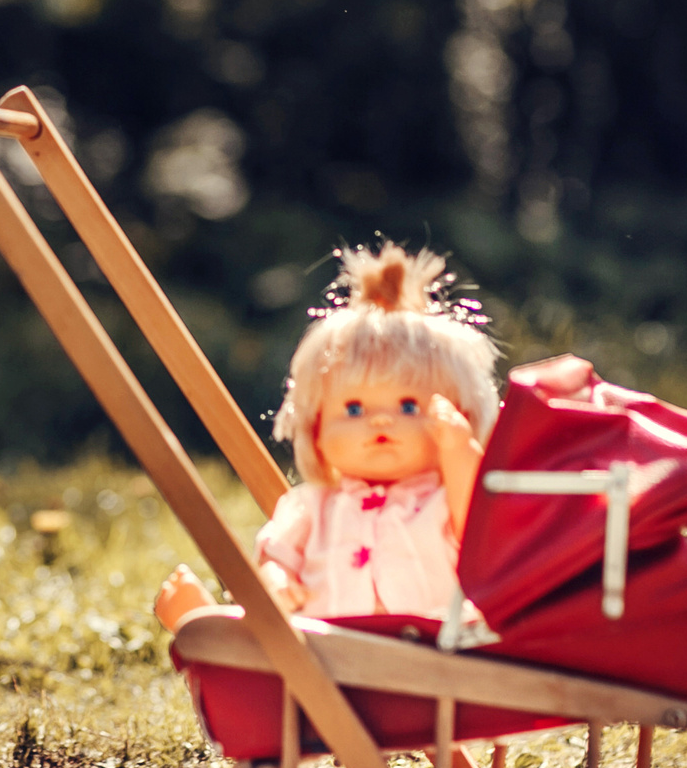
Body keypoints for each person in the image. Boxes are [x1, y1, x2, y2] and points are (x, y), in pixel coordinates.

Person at [156, 245, 496, 628]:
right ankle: (200, 624)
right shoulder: (311, 507)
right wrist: (276, 582)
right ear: (315, 429)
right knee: (267, 643)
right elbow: (276, 558)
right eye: (353, 409)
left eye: (407, 406)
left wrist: (459, 450)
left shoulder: (443, 502)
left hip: (430, 662)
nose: (380, 422)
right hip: (320, 663)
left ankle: (204, 628)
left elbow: (480, 528)